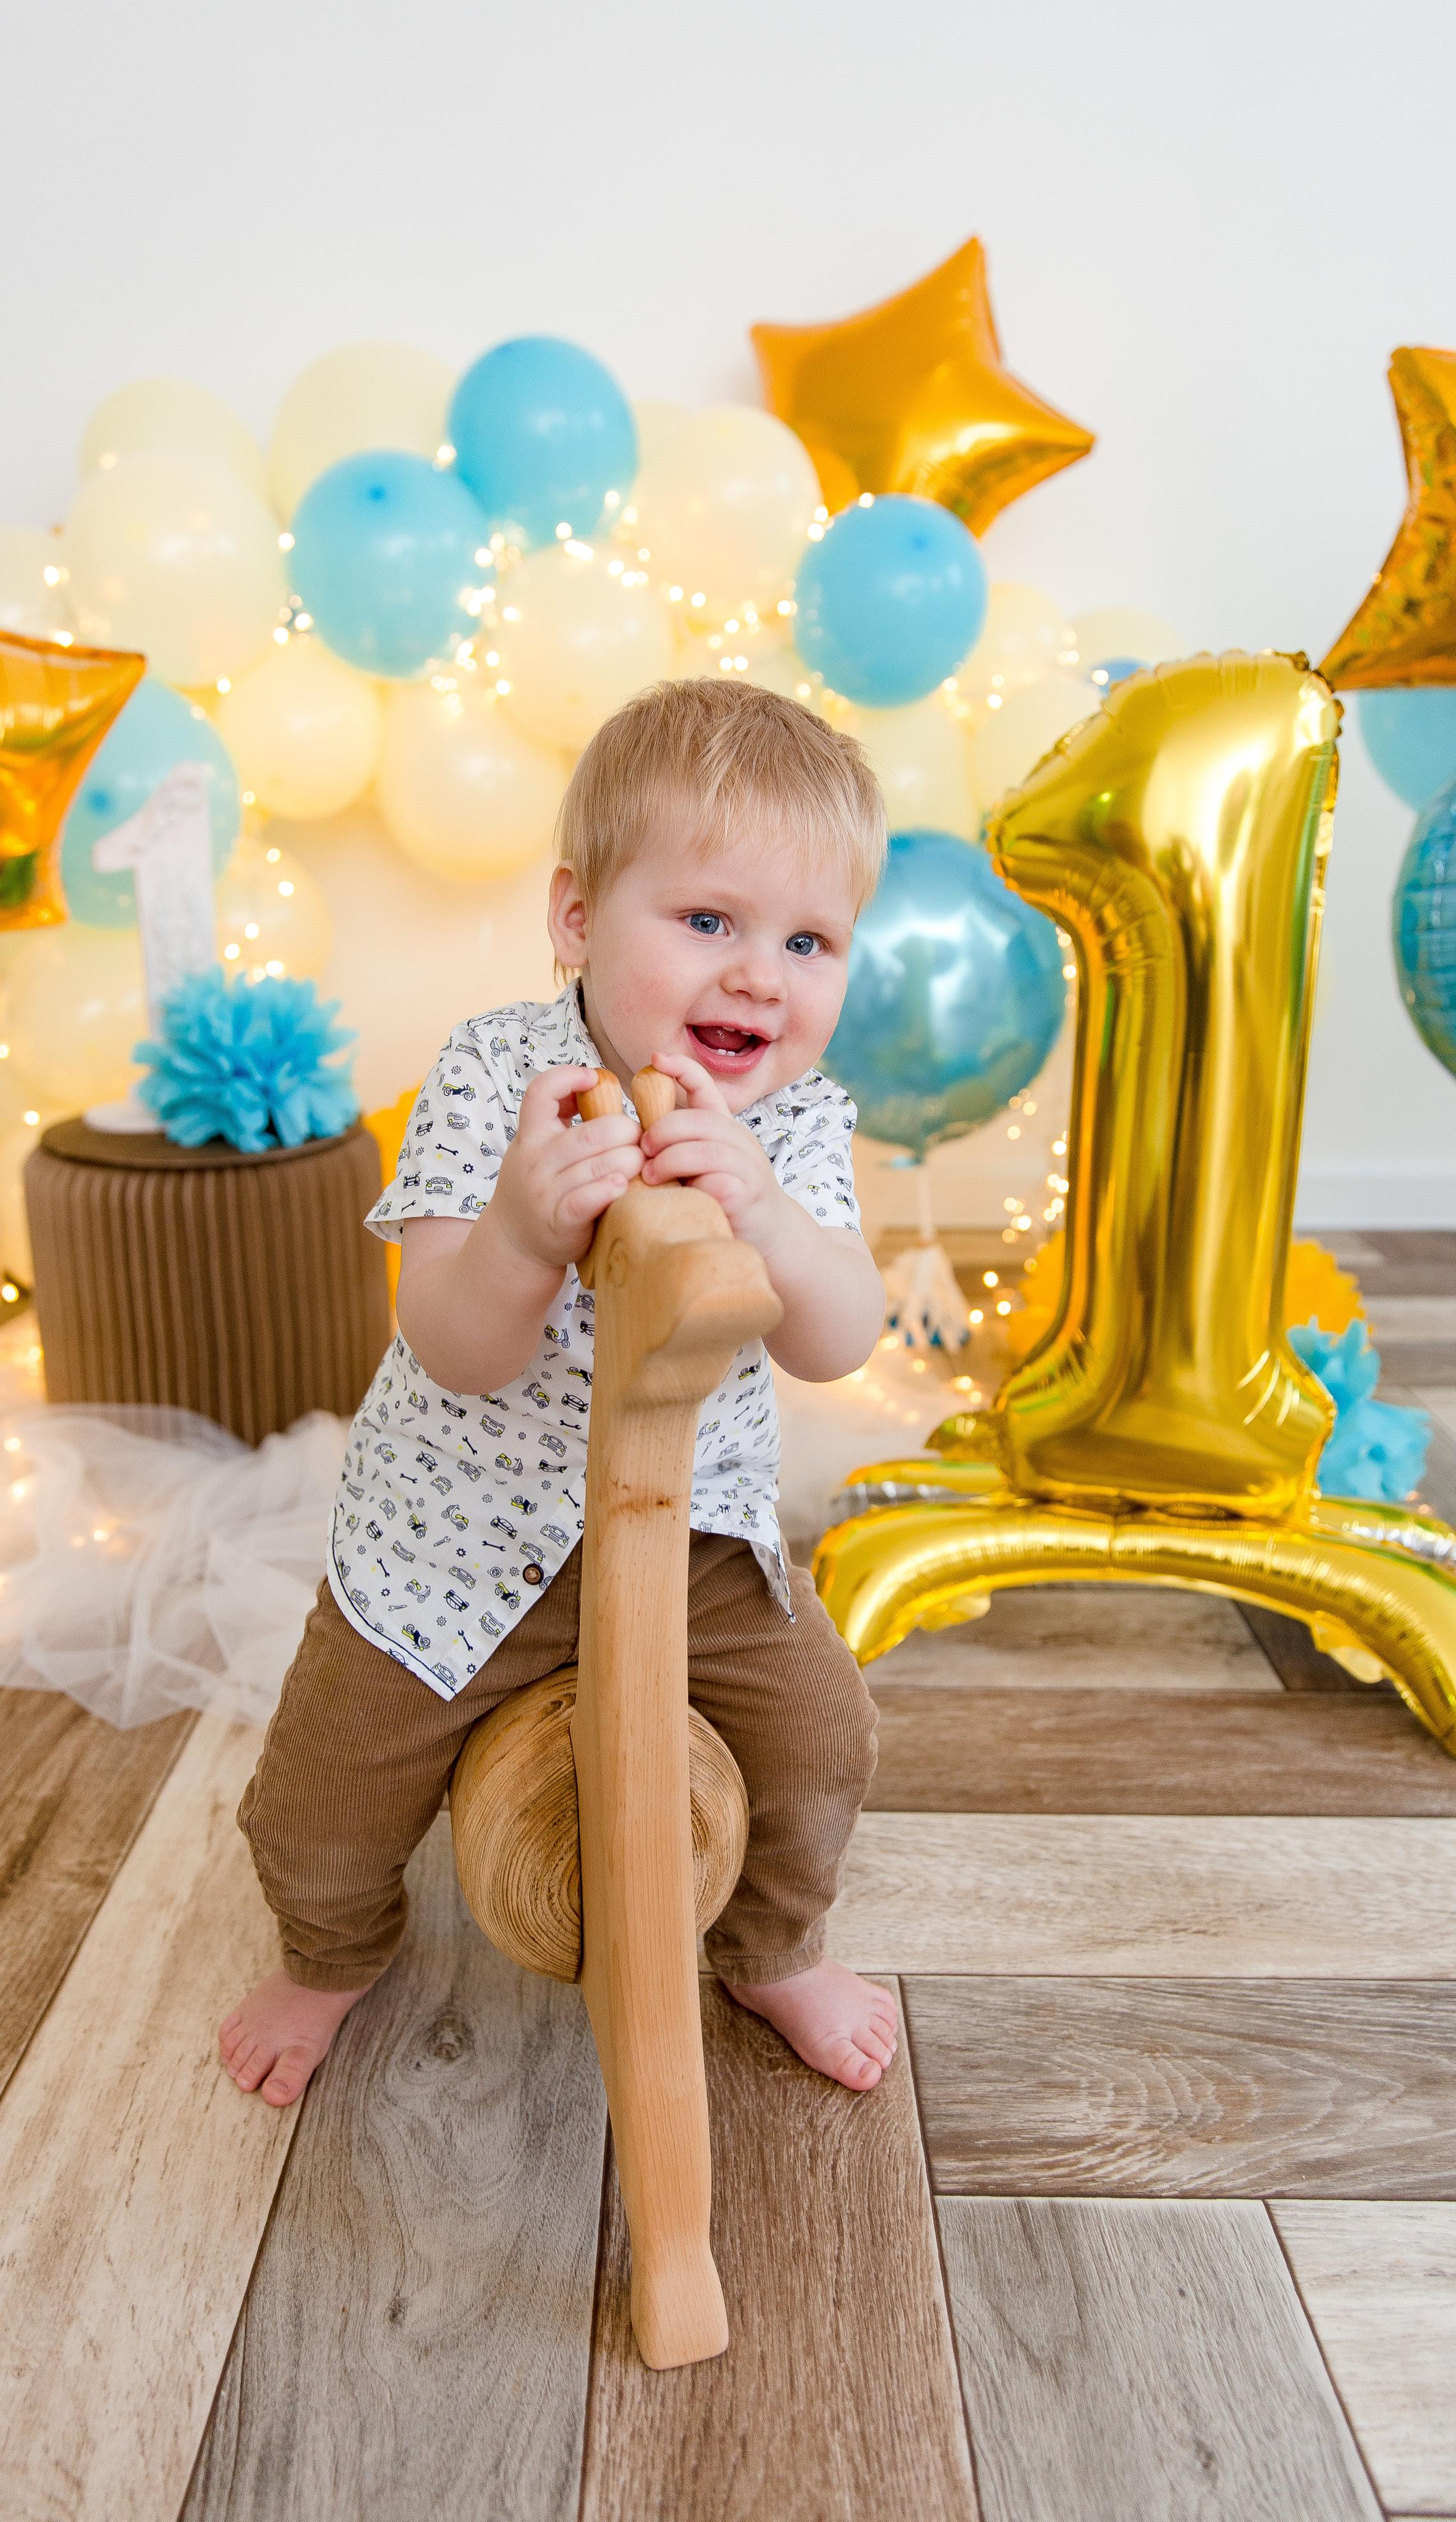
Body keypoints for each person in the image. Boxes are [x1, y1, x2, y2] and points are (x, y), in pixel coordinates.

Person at [219, 677, 896, 2108]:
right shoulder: (500, 1077)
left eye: (808, 940)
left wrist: (766, 1216)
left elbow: (836, 1334)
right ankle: (328, 1957)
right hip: (454, 1543)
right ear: (578, 920)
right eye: (707, 922)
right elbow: (452, 1342)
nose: (759, 977)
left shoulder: (794, 1124)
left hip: (692, 1540)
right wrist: (525, 1234)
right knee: (319, 1801)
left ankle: (771, 1948)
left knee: (824, 1739)